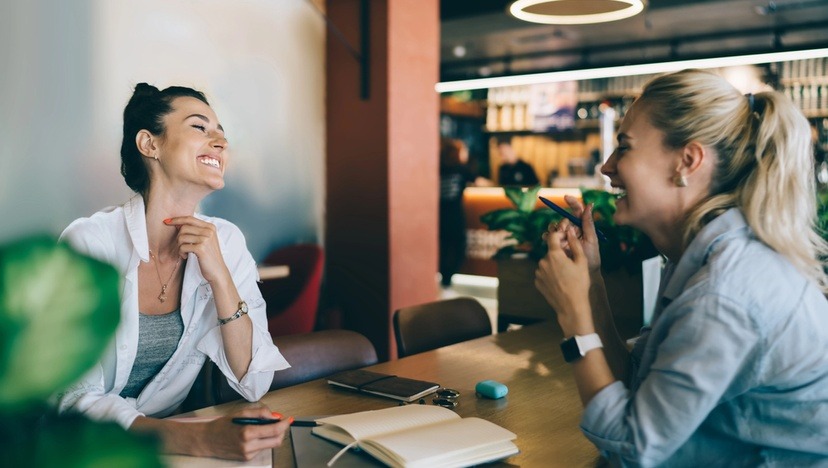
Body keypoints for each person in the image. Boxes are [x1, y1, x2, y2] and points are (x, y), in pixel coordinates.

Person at [535, 69, 828, 465]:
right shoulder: (699, 257)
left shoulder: (723, 291)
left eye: (624, 147)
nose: (606, 167)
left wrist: (575, 319)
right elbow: (637, 386)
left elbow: (633, 450)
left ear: (687, 161)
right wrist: (590, 282)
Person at [58, 83, 292, 460]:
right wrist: (198, 439)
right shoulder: (90, 243)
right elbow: (70, 399)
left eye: (222, 133)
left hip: (168, 456)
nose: (219, 141)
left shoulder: (226, 241)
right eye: (200, 127)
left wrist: (220, 277)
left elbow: (254, 379)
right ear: (149, 144)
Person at [439, 138, 491, 287]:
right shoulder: (461, 169)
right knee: (459, 246)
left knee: (444, 246)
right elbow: (480, 182)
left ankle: (444, 278)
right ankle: (448, 278)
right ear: (457, 153)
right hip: (454, 215)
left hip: (439, 216)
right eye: (464, 150)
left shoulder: (439, 169)